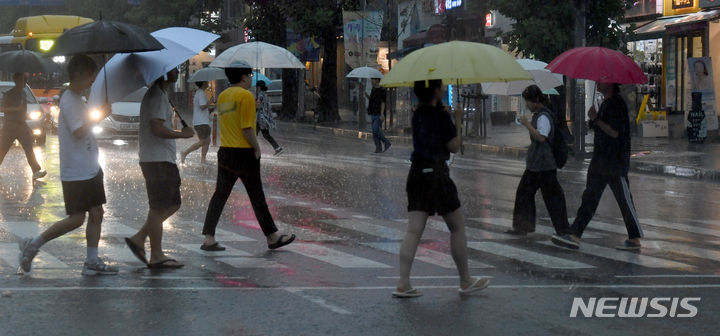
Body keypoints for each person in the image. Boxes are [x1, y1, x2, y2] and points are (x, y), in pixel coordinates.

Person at [17, 55, 117, 275]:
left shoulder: (78, 99)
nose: (93, 79)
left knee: (97, 213)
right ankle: (33, 245)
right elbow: (79, 131)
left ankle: (91, 261)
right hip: (78, 170)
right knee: (77, 219)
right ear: (79, 74)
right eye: (91, 74)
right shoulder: (70, 100)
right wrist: (100, 115)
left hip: (89, 166)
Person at [394, 79, 489, 298]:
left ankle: (403, 282)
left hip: (417, 173)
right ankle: (465, 280)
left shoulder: (418, 114)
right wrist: (457, 120)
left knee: (414, 230)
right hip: (437, 176)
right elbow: (454, 146)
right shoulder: (441, 116)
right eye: (442, 86)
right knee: (456, 227)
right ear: (435, 91)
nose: (445, 88)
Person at [200, 61, 295, 252]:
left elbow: (232, 120)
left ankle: (208, 237)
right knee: (256, 195)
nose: (251, 78)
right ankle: (272, 236)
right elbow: (246, 128)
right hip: (244, 153)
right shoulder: (246, 96)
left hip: (225, 151)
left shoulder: (223, 96)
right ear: (243, 76)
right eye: (250, 75)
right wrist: (257, 147)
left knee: (220, 195)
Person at [124, 68, 194, 269]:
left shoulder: (161, 95)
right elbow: (156, 128)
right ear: (162, 73)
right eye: (172, 69)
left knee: (163, 206)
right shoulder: (156, 96)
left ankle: (150, 248)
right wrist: (182, 134)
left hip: (159, 159)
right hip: (157, 160)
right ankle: (147, 245)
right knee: (165, 206)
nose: (177, 71)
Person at [569, 82, 643, 250]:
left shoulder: (617, 103)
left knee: (624, 200)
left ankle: (635, 237)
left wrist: (596, 119)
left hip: (614, 162)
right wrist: (594, 122)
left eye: (601, 79)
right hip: (600, 161)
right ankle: (575, 233)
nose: (597, 82)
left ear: (610, 83)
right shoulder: (606, 103)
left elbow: (614, 132)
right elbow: (604, 128)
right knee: (589, 198)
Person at [505, 86, 578, 249]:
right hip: (536, 165)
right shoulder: (540, 114)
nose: (527, 104)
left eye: (528, 101)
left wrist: (526, 124)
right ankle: (523, 226)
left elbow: (541, 137)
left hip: (544, 165)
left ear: (535, 100)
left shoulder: (544, 116)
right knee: (525, 193)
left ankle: (562, 229)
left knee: (552, 197)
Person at [0, 72, 47, 180]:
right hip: (10, 127)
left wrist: (28, 127)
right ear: (16, 81)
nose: (23, 83)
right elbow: (2, 108)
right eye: (21, 80)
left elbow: (23, 112)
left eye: (25, 81)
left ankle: (35, 170)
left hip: (22, 126)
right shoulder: (9, 94)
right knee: (2, 150)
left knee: (29, 149)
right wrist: (15, 108)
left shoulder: (24, 94)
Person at [180, 81, 215, 164]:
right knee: (203, 142)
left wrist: (210, 109)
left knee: (207, 141)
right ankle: (185, 153)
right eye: (206, 82)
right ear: (203, 83)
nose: (207, 83)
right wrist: (210, 102)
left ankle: (203, 160)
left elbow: (202, 108)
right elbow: (202, 106)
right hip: (201, 122)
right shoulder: (201, 93)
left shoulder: (199, 93)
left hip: (202, 121)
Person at [255, 80, 283, 155]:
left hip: (261, 118)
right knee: (264, 134)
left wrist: (255, 103)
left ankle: (249, 149)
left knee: (254, 134)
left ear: (259, 87)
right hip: (264, 117)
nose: (256, 88)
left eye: (257, 87)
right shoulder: (264, 94)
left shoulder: (260, 95)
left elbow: (258, 107)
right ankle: (277, 147)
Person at [366, 78, 391, 153]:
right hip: (373, 112)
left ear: (377, 80)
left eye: (372, 80)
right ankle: (378, 148)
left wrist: (382, 113)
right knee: (374, 132)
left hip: (378, 113)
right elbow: (372, 100)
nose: (371, 81)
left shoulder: (382, 89)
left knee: (375, 129)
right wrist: (366, 95)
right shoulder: (373, 89)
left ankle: (386, 142)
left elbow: (383, 102)